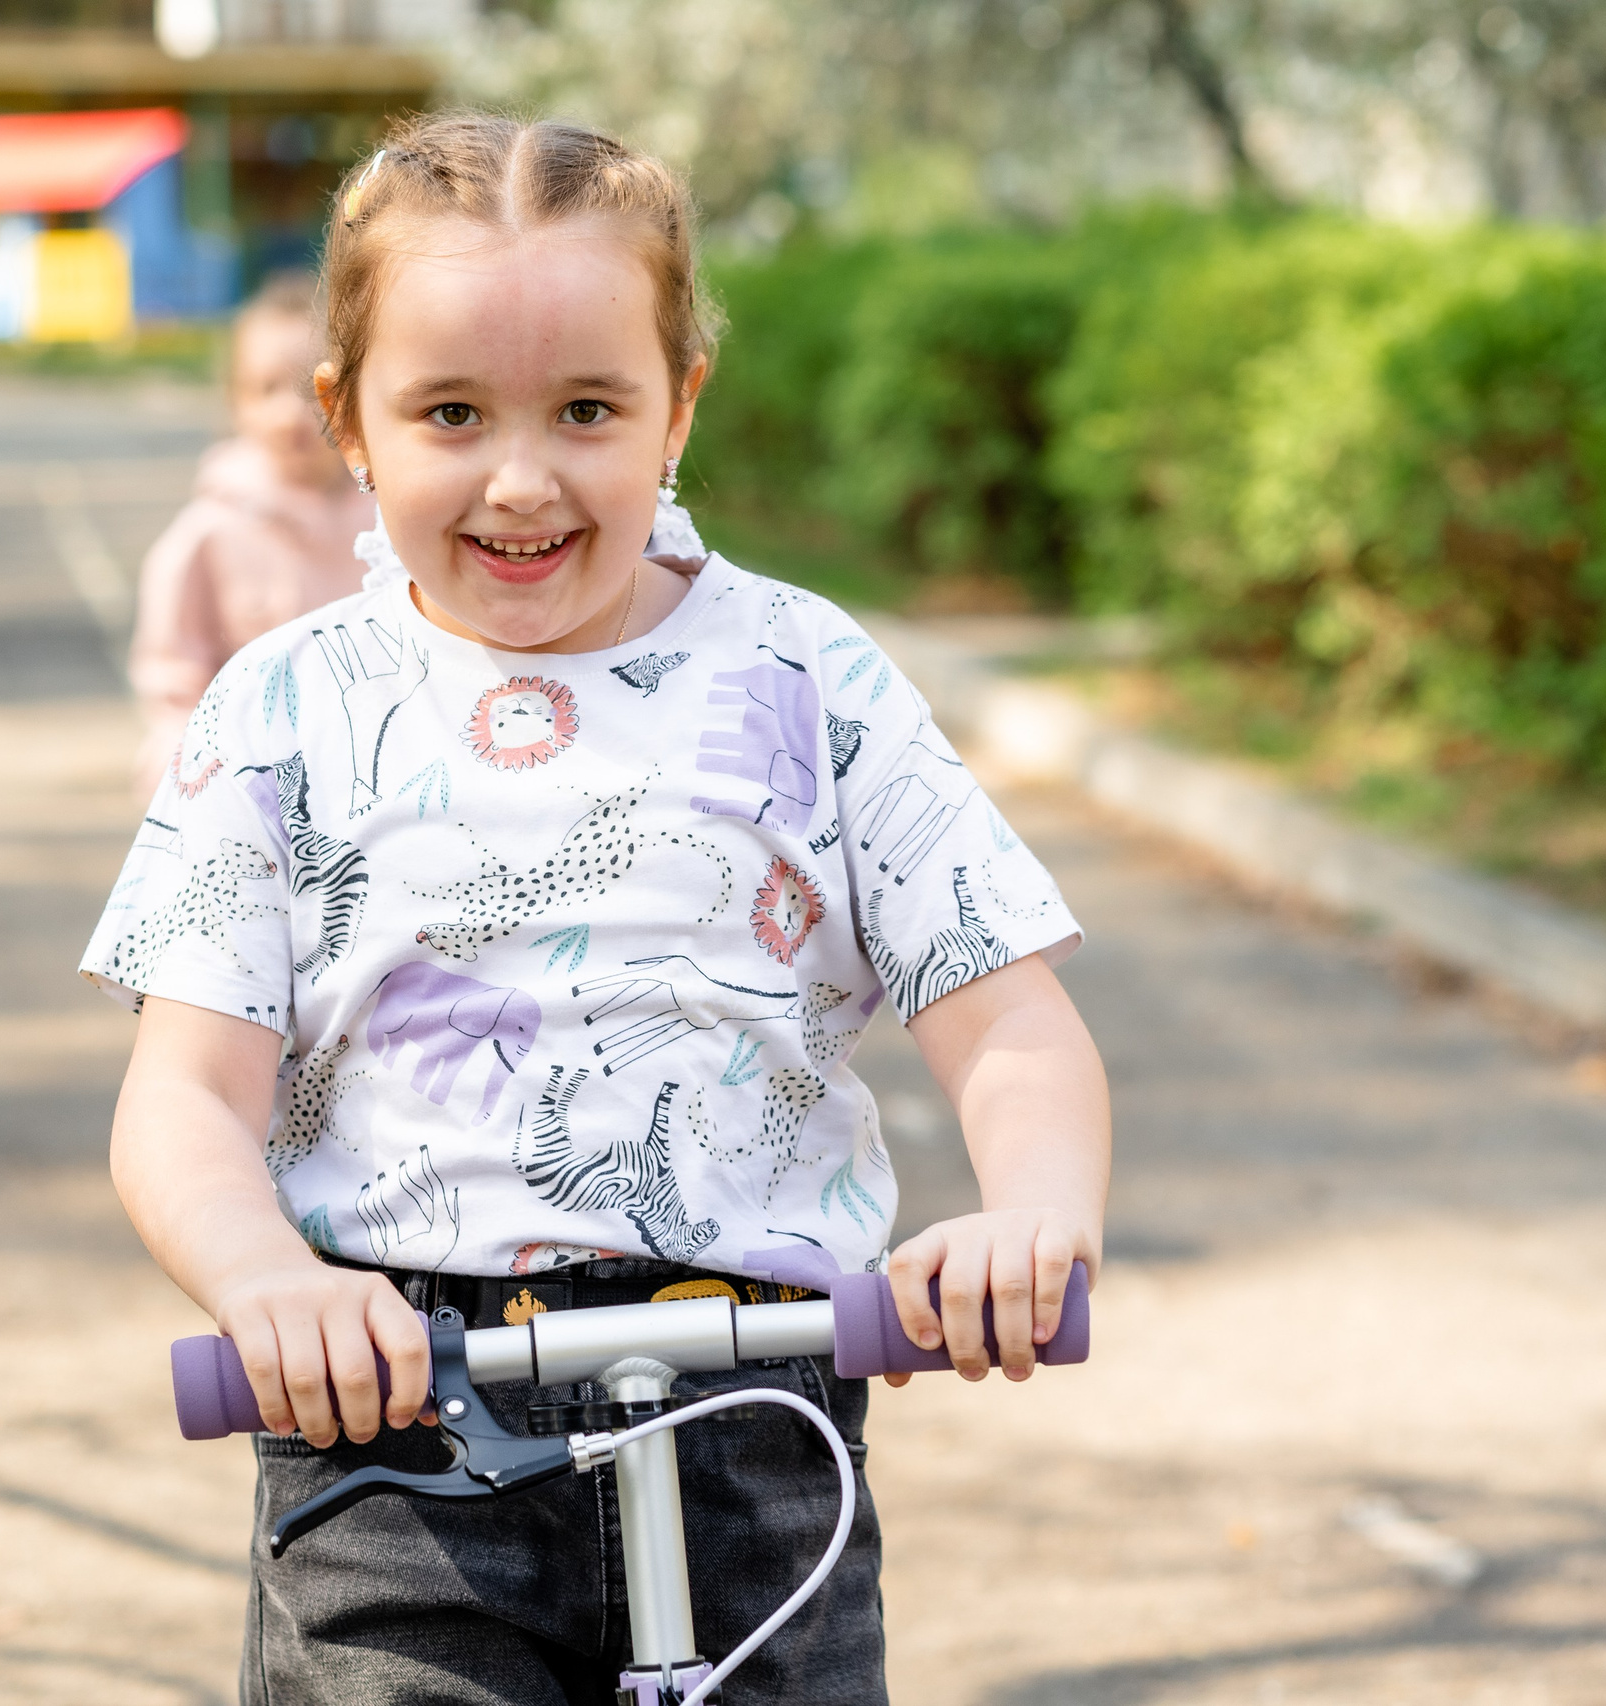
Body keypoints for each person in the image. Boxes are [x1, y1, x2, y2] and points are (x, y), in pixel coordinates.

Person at [84, 112, 1111, 1705]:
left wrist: (1034, 1214)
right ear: (345, 419)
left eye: (586, 409)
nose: (520, 477)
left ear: (679, 403)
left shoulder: (802, 677)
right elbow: (183, 1095)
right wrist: (265, 1279)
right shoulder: (283, 708)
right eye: (448, 413)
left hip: (758, 1414)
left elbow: (1011, 1017)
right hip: (395, 1420)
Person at [130, 273, 374, 797]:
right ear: (234, 401)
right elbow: (174, 681)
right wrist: (190, 775)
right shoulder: (209, 533)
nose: (291, 414)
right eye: (266, 389)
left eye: (312, 388)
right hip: (254, 787)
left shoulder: (396, 515)